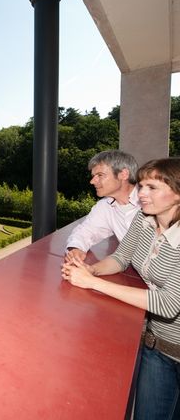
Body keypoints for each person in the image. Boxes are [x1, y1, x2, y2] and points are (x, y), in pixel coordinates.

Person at [62, 157, 180, 419]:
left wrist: (93, 283)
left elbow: (168, 303)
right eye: (142, 186)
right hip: (155, 344)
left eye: (152, 188)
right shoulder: (144, 218)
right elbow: (121, 257)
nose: (142, 194)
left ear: (177, 194)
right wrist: (89, 270)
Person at [65, 150, 140, 263]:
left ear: (123, 174)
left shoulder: (153, 203)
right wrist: (76, 248)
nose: (92, 182)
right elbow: (86, 231)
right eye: (93, 176)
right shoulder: (105, 206)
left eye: (100, 175)